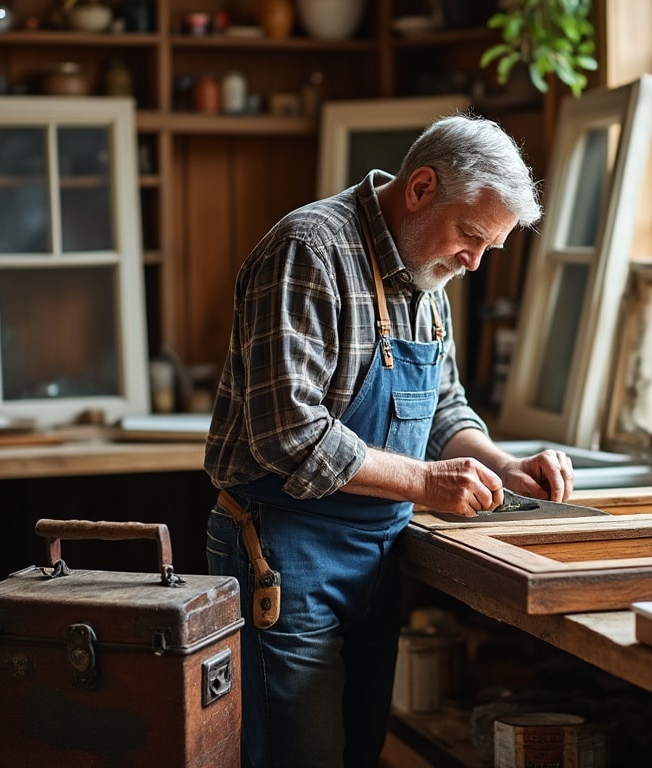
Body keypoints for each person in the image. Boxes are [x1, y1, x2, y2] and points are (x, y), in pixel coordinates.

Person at [203, 113, 574, 767]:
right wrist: (427, 482)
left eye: (489, 247)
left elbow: (444, 409)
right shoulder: (310, 250)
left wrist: (502, 465)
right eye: (471, 235)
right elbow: (288, 434)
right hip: (286, 550)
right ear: (421, 188)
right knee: (301, 757)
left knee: (361, 751)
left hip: (375, 557)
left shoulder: (429, 276)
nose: (473, 262)